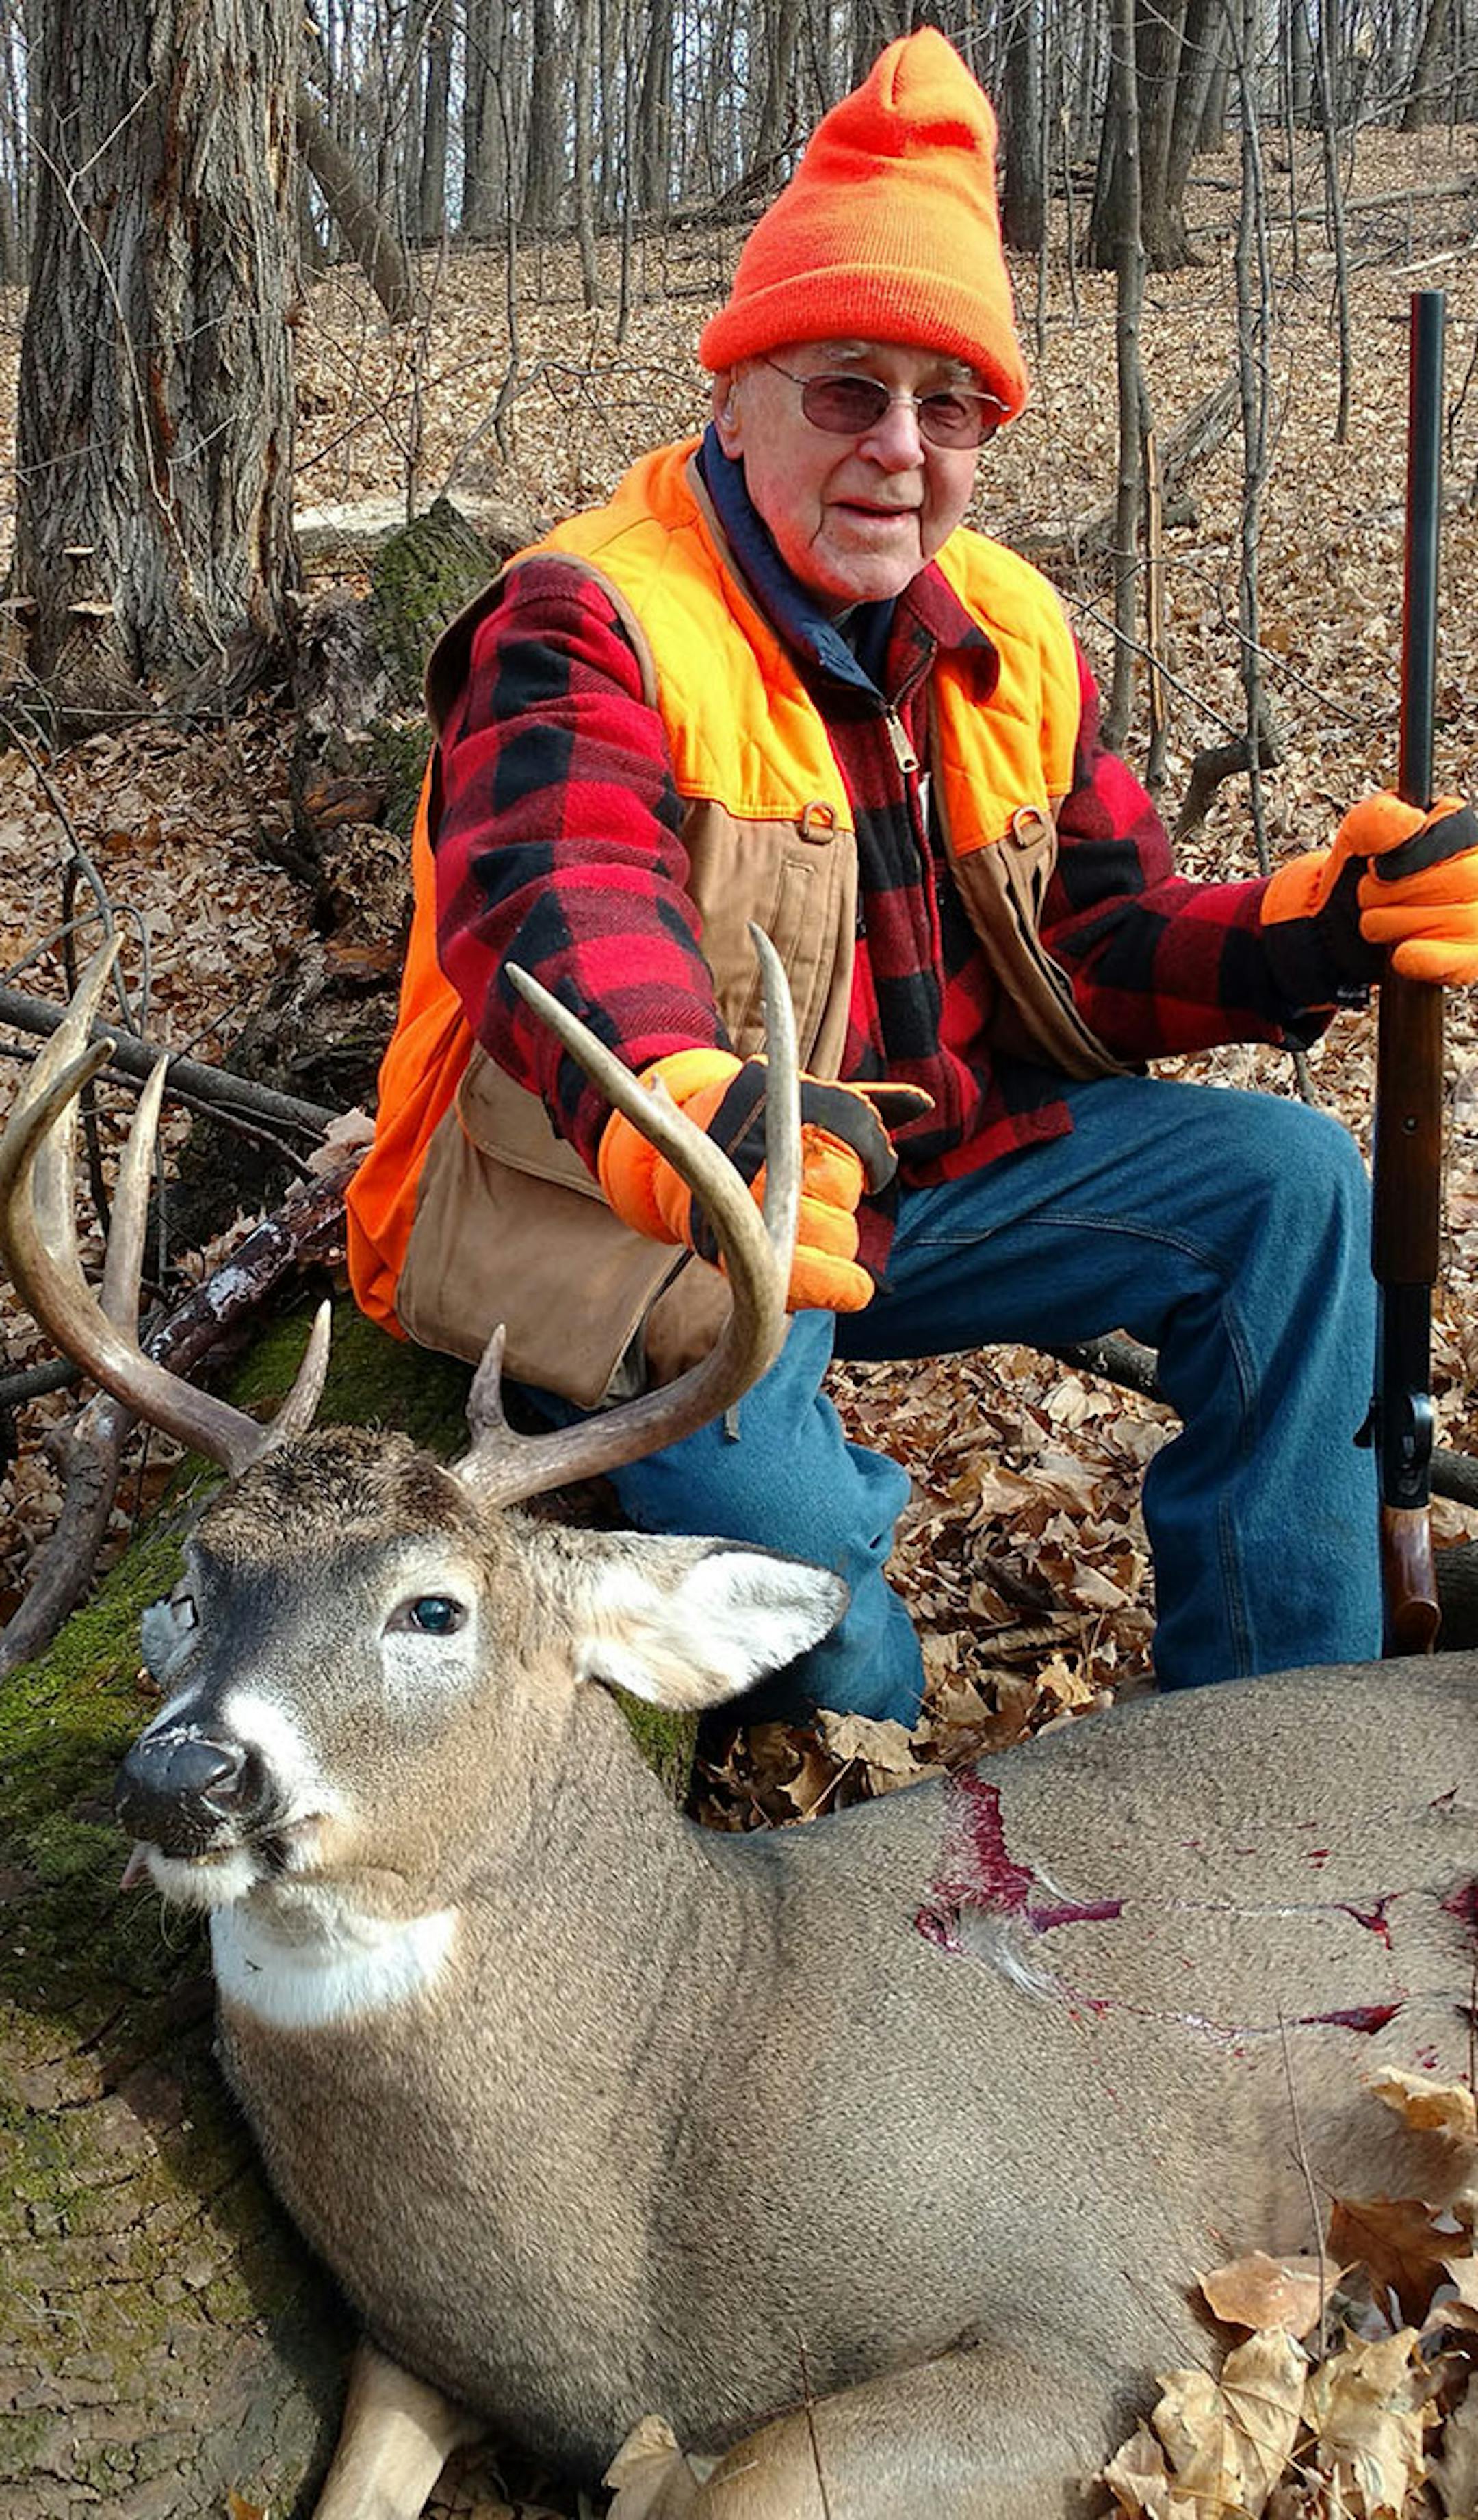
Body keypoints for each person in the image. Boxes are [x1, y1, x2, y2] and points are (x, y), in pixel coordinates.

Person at [346, 29, 1478, 1728]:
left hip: (936, 1178)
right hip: (659, 1221)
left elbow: (1097, 944)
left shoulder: (1005, 625)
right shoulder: (586, 612)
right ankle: (877, 1785)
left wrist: (1312, 927)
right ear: (734, 395)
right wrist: (703, 1119)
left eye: (950, 408)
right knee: (826, 1643)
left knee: (1291, 1187)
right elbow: (558, 906)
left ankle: (1270, 1737)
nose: (902, 448)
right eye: (847, 388)